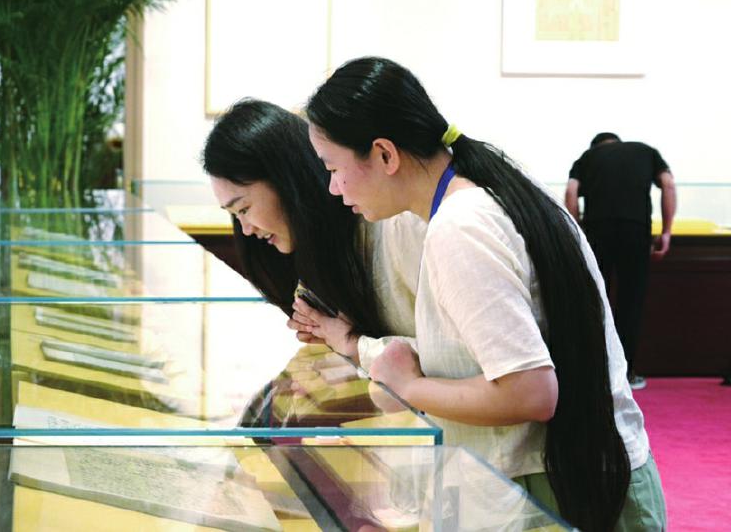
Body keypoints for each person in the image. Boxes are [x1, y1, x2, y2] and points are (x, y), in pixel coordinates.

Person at [296, 57, 665, 531]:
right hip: (584, 474)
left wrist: (408, 387)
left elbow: (530, 392)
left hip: (563, 489)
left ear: (385, 155)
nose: (332, 187)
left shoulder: (461, 225)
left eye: (333, 168)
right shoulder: (487, 194)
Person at [202, 98, 426, 368]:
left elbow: (457, 358)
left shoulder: (398, 226)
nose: (246, 230)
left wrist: (353, 344)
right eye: (235, 215)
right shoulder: (320, 249)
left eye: (244, 209)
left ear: (286, 179)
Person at [565, 133, 676, 390]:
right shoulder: (646, 151)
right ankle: (627, 373)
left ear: (597, 147)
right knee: (630, 302)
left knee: (595, 300)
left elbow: (571, 192)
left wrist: (577, 234)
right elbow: (668, 185)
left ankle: (596, 372)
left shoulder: (587, 157)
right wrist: (666, 231)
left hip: (597, 231)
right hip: (636, 230)